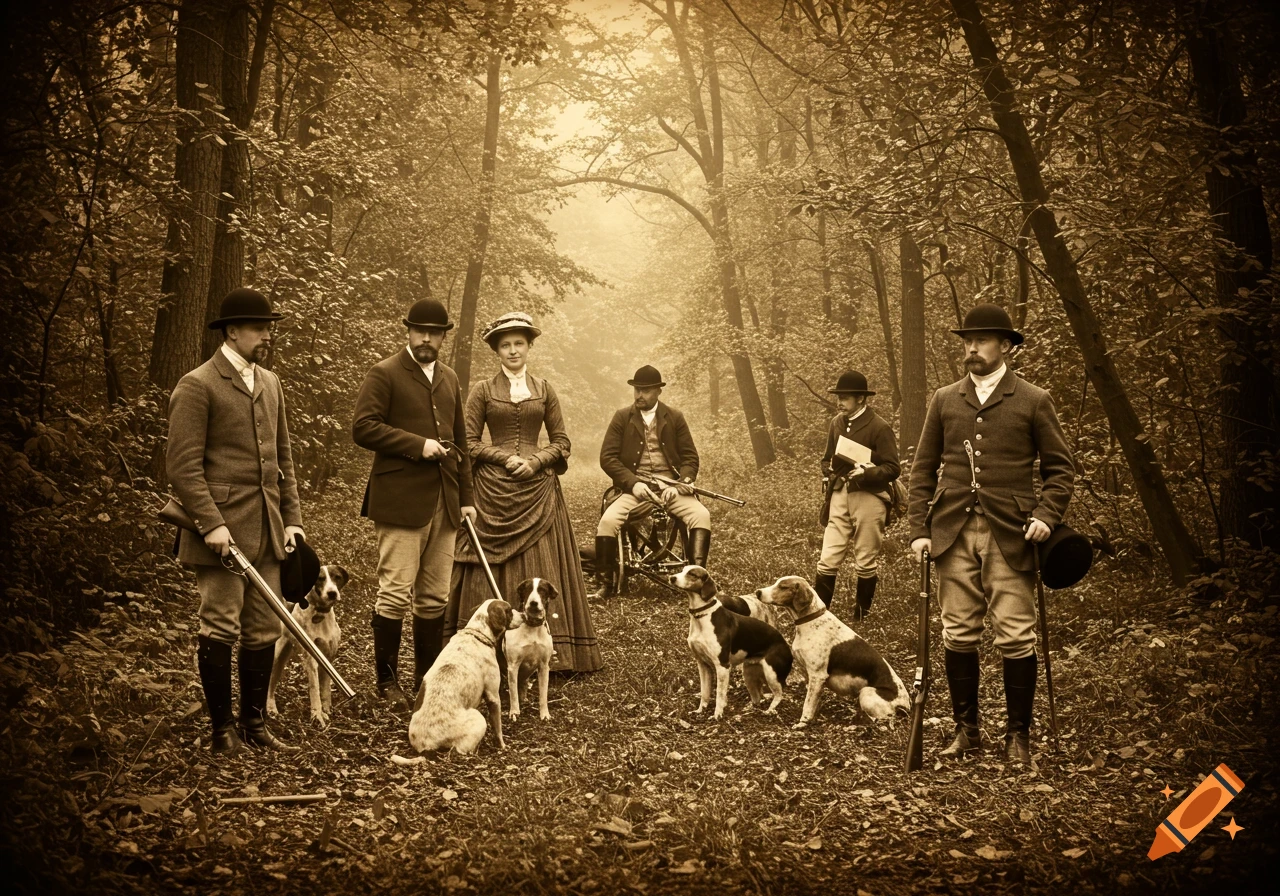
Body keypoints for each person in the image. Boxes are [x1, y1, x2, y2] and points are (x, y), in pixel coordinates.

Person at [907, 303, 1075, 763]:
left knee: (1016, 635)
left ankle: (1017, 736)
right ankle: (967, 731)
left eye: (981, 341)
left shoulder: (1033, 399)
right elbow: (922, 469)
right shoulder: (944, 398)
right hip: (951, 531)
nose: (972, 349)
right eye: (967, 341)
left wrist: (1046, 514)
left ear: (1005, 346)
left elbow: (1061, 470)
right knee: (958, 631)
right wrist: (919, 528)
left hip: (1012, 533)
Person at [167, 288, 304, 755]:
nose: (267, 336)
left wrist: (293, 521)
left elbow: (284, 460)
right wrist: (210, 524)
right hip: (220, 533)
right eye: (258, 328)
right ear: (231, 332)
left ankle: (255, 724)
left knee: (264, 628)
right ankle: (222, 731)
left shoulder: (271, 382)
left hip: (267, 530)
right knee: (220, 626)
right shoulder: (197, 384)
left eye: (268, 328)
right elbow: (182, 467)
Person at [445, 311, 602, 672]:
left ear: (529, 347)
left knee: (541, 561)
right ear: (497, 351)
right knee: (486, 565)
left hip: (539, 489)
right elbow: (466, 441)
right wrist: (503, 457)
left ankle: (553, 654)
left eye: (519, 344)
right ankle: (486, 648)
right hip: (491, 491)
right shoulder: (483, 390)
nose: (513, 351)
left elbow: (562, 440)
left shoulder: (545, 389)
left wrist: (535, 462)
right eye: (505, 345)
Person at [353, 298, 476, 709]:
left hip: (446, 501)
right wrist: (416, 445)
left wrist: (467, 498)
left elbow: (460, 443)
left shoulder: (450, 378)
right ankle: (386, 685)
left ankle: (426, 681)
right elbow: (364, 428)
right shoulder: (384, 372)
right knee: (393, 593)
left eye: (434, 332)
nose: (426, 338)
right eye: (419, 330)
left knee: (434, 597)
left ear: (443, 336)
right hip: (400, 500)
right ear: (408, 331)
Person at [596, 365, 710, 591]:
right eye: (637, 389)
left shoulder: (675, 417)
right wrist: (633, 484)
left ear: (658, 391)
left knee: (701, 516)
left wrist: (681, 484)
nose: (640, 395)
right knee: (607, 522)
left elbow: (690, 457)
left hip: (670, 489)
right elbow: (607, 458)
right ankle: (605, 585)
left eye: (646, 390)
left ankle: (697, 583)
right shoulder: (622, 417)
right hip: (635, 490)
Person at [816, 370, 900, 620]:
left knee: (865, 558)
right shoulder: (836, 423)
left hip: (869, 497)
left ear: (861, 399)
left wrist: (867, 471)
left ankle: (861, 617)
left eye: (846, 398)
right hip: (840, 493)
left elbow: (893, 468)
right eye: (839, 397)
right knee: (827, 557)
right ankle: (819, 615)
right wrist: (828, 470)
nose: (840, 402)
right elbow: (826, 458)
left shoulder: (879, 426)